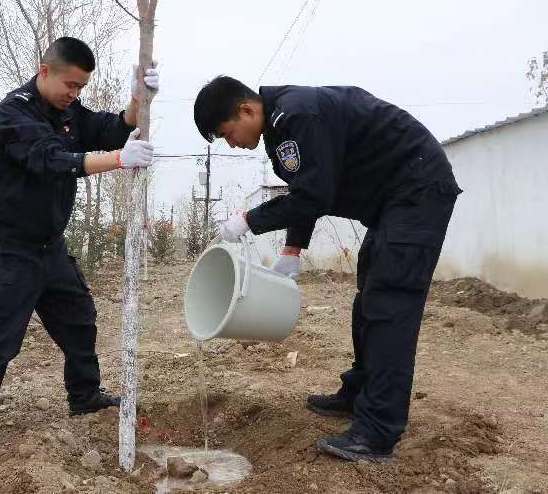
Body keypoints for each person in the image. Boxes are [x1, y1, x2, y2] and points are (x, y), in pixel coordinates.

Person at [193, 76, 461, 462]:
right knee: (368, 297)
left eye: (227, 133)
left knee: (389, 306)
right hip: (392, 204)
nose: (232, 143)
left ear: (246, 110)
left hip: (417, 191)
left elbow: (313, 195)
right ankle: (359, 394)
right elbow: (310, 190)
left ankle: (377, 432)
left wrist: (249, 220)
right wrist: (293, 248)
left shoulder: (297, 115)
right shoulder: (281, 127)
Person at [0, 37, 159, 455]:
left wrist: (138, 103)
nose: (74, 94)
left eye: (81, 87)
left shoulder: (67, 111)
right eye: (70, 84)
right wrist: (119, 160)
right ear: (44, 71)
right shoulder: (13, 115)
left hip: (51, 247)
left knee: (79, 321)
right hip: (10, 251)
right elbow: (51, 161)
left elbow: (108, 128)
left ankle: (84, 397)